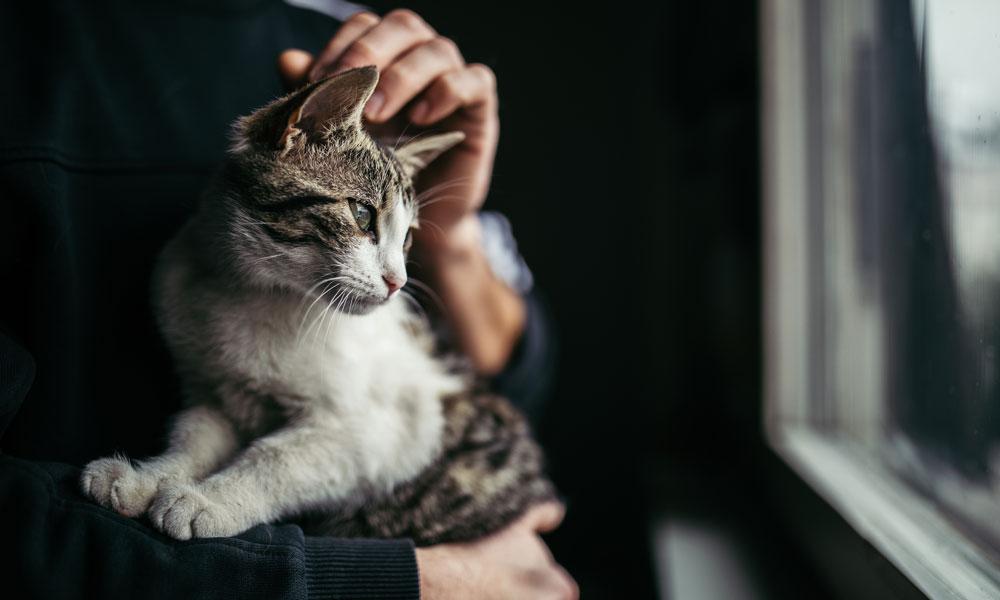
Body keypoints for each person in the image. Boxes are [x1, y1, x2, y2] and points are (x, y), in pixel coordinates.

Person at [0, 1, 576, 598]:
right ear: (293, 134)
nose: (397, 276)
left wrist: (453, 239)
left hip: (447, 498)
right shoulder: (32, 58)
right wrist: (173, 478)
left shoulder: (355, 34)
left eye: (404, 239)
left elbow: (502, 379)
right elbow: (224, 407)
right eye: (362, 218)